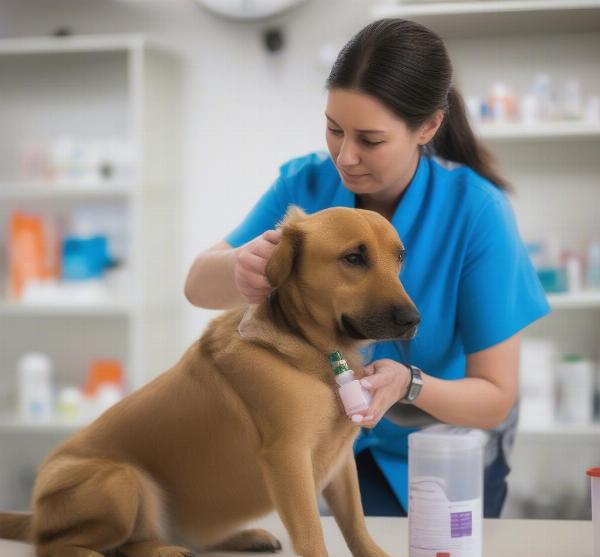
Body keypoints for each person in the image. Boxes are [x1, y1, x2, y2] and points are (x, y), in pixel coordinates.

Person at [184, 19, 550, 518]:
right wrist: (239, 269)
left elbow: (494, 398)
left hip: (440, 444)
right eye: (334, 129)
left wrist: (409, 382)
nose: (345, 156)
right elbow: (197, 284)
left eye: (370, 140)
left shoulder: (476, 211)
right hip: (334, 441)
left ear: (427, 128)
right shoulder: (306, 184)